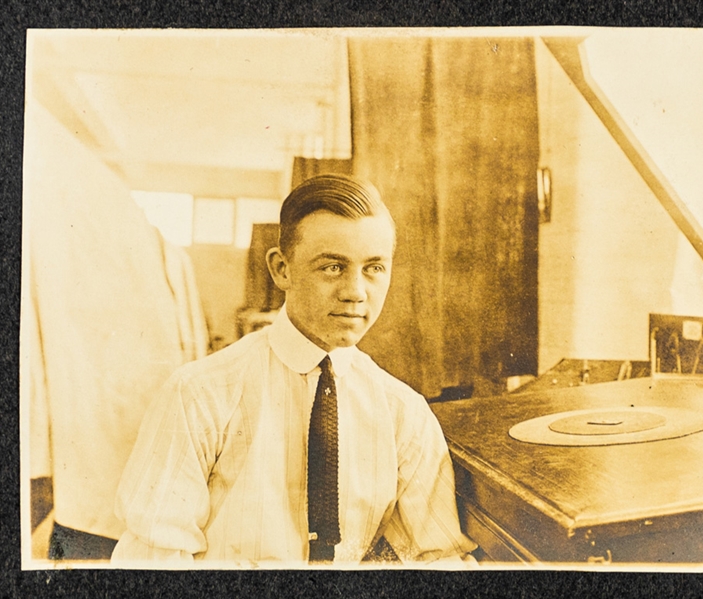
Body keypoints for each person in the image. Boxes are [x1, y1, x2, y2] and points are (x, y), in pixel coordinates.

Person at [111, 174, 476, 565]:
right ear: (281, 269)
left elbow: (437, 561)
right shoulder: (198, 394)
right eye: (333, 267)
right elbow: (152, 563)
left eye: (374, 268)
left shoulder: (404, 413)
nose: (355, 291)